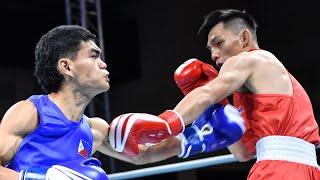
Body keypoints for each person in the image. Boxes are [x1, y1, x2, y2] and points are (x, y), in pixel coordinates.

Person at [0, 24, 244, 180]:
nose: (103, 64)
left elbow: (142, 154)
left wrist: (197, 138)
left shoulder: (94, 129)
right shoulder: (30, 112)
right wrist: (38, 178)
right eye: (94, 56)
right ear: (66, 66)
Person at [109, 8, 320, 180]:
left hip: (279, 169)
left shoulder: (252, 59)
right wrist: (214, 111)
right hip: (306, 169)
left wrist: (165, 124)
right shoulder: (255, 92)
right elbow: (243, 152)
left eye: (219, 43)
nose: (214, 55)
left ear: (245, 38)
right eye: (210, 49)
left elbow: (208, 93)